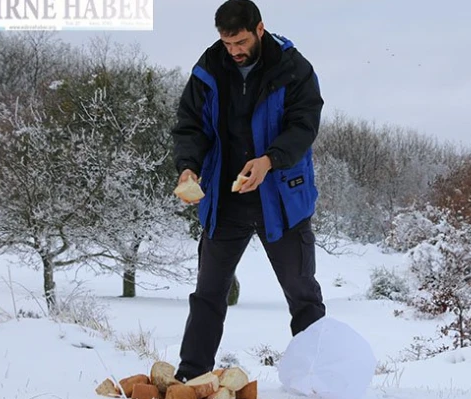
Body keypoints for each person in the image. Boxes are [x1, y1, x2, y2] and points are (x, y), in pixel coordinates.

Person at [170, 0, 326, 382]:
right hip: (226, 201)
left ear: (259, 29)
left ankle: (318, 377)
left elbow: (303, 126)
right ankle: (192, 377)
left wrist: (269, 160)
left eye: (240, 42)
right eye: (227, 44)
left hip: (282, 200)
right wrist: (188, 167)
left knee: (302, 295)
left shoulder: (294, 69)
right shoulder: (208, 70)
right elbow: (190, 125)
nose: (235, 51)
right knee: (207, 294)